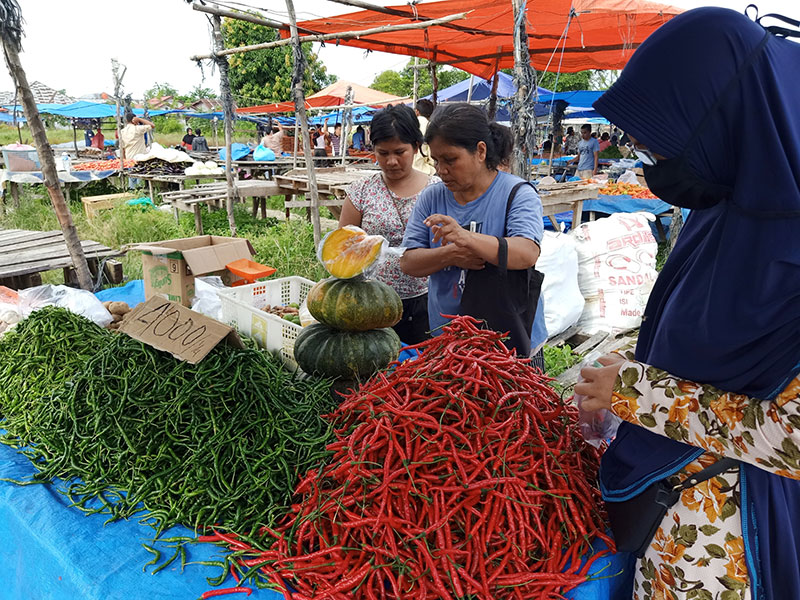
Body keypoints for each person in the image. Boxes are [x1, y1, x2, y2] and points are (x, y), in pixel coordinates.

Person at [574, 8, 800, 600]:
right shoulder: (723, 203)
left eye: (660, 138)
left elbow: (794, 438)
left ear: (722, 118)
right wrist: (622, 375)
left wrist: (635, 392)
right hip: (666, 510)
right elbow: (681, 328)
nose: (647, 154)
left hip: (724, 544)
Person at [400, 103, 544, 354]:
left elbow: (527, 253)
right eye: (435, 160)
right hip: (448, 338)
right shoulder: (432, 197)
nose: (441, 170)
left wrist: (466, 237)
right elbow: (409, 262)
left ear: (480, 151)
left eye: (450, 160)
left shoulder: (517, 193)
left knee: (514, 391)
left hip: (509, 339)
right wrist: (451, 254)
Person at [339, 105, 439, 344]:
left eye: (399, 152)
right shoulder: (361, 192)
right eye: (383, 153)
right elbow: (342, 250)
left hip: (426, 300)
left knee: (422, 368)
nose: (391, 161)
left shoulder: (437, 191)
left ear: (416, 147)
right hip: (371, 303)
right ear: (373, 149)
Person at [413, 99, 436, 175]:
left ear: (417, 112)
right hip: (425, 171)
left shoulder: (410, 125)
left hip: (409, 169)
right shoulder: (432, 127)